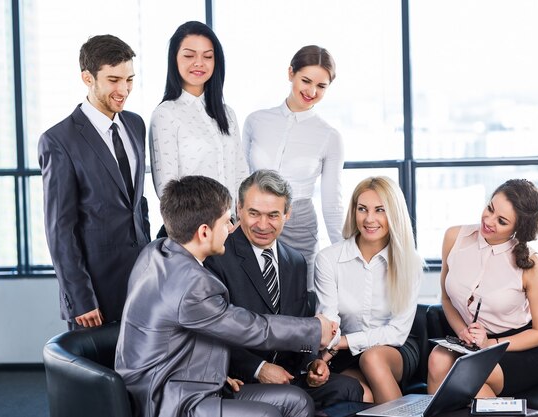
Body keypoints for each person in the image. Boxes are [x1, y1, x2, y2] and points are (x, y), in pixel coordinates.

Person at [115, 175, 338, 417]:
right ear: (203, 232)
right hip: (168, 399)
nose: (232, 228)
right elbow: (254, 328)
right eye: (226, 222)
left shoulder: (156, 251)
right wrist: (316, 330)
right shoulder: (192, 284)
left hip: (188, 381)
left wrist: (217, 374)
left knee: (297, 402)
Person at [205, 169, 363, 408]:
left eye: (273, 215)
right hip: (241, 378)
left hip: (287, 375)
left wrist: (312, 364)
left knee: (350, 388)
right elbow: (215, 331)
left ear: (287, 214)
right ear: (239, 209)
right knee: (295, 400)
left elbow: (299, 321)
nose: (262, 225)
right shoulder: (218, 255)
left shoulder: (296, 261)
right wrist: (259, 369)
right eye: (254, 213)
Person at [38, 35, 150, 329]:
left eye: (129, 79)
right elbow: (60, 228)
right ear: (87, 78)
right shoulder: (59, 140)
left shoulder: (135, 124)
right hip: (95, 291)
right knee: (100, 373)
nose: (123, 90)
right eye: (113, 80)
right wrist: (80, 297)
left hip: (142, 281)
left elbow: (137, 204)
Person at [427, 179, 538, 398]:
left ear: (518, 229)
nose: (488, 220)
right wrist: (461, 332)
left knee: (470, 373)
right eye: (490, 208)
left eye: (502, 221)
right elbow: (446, 299)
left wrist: (490, 344)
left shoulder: (532, 264)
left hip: (515, 348)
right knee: (438, 359)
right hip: (468, 341)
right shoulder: (454, 238)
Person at [315, 176, 425, 404]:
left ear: (394, 214)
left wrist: (342, 341)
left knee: (373, 358)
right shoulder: (328, 259)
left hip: (394, 349)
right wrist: (331, 348)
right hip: (344, 355)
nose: (369, 219)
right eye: (362, 209)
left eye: (380, 210)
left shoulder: (410, 263)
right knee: (364, 394)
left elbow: (396, 332)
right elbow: (329, 322)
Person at [243, 45, 344, 291]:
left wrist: (346, 254)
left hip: (299, 224)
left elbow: (332, 201)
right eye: (306, 80)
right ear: (291, 73)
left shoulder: (329, 136)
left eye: (321, 86)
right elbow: (240, 177)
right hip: (253, 221)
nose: (311, 91)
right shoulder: (256, 121)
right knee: (253, 297)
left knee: (300, 299)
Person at [150, 21, 248, 237]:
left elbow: (241, 173)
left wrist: (239, 219)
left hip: (231, 231)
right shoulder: (165, 114)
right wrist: (210, 226)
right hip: (193, 235)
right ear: (174, 59)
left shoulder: (227, 113)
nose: (199, 63)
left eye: (207, 56)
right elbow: (167, 190)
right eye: (189, 55)